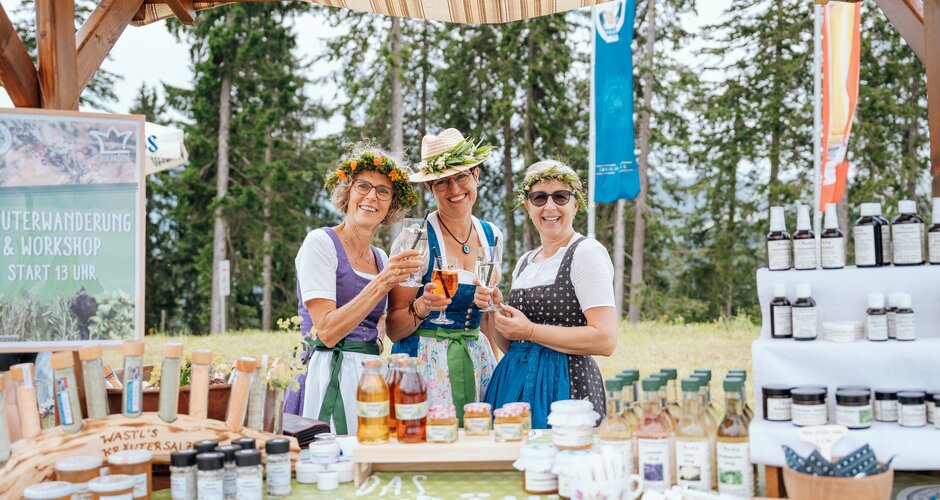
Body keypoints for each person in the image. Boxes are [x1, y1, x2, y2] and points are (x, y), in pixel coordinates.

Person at [286, 144, 421, 435]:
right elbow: (326, 331)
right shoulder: (320, 243)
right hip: (326, 373)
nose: (372, 196)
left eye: (383, 191)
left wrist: (421, 308)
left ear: (390, 206)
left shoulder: (381, 257)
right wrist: (382, 282)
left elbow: (380, 321)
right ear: (347, 192)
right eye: (363, 186)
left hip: (371, 377)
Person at [480, 160, 618, 429]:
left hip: (566, 388)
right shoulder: (525, 261)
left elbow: (605, 339)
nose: (550, 206)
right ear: (527, 206)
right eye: (539, 198)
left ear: (575, 204)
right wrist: (496, 313)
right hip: (513, 387)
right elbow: (514, 345)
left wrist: (531, 330)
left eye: (561, 197)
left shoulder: (585, 252)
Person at [386, 128, 502, 424]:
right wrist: (422, 307)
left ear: (476, 175)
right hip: (424, 369)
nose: (454, 189)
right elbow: (394, 329)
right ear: (430, 189)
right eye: (442, 182)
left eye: (461, 176)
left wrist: (497, 372)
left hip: (478, 366)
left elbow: (487, 322)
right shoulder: (415, 238)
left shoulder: (492, 236)